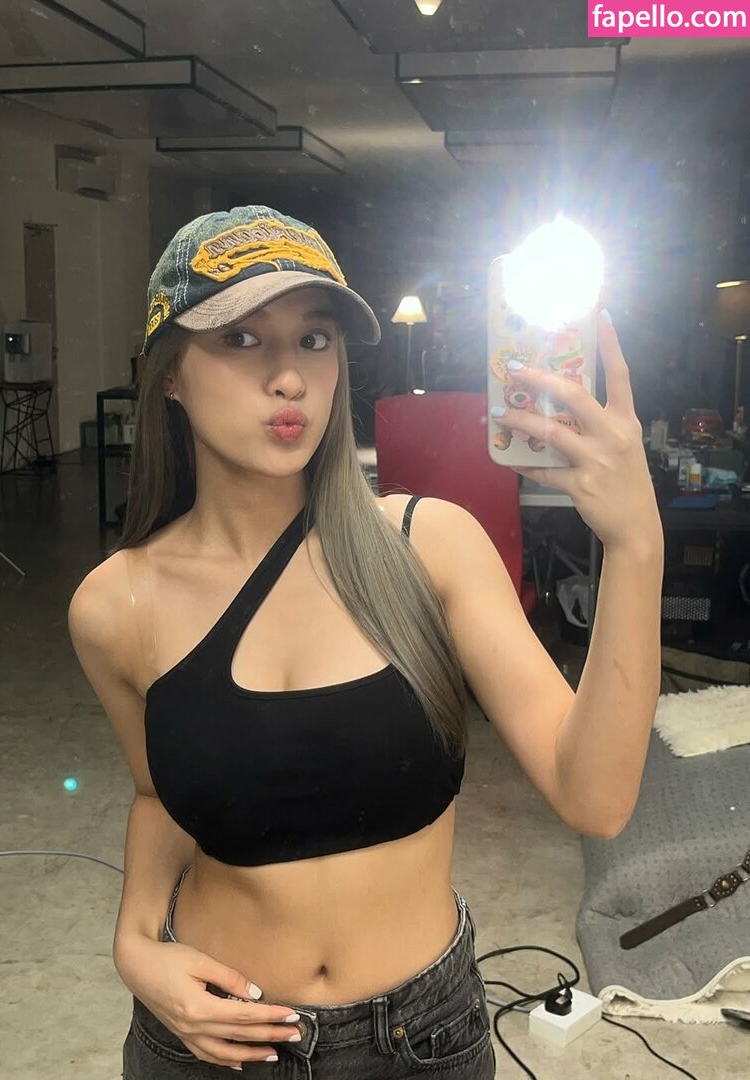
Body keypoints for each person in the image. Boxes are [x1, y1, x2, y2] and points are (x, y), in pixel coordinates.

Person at [68, 205, 664, 1078]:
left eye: (314, 340)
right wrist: (133, 942)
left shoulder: (429, 547)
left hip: (422, 1041)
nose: (288, 377)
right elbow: (159, 794)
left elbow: (596, 799)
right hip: (214, 1040)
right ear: (168, 376)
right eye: (240, 339)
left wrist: (636, 545)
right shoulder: (115, 605)